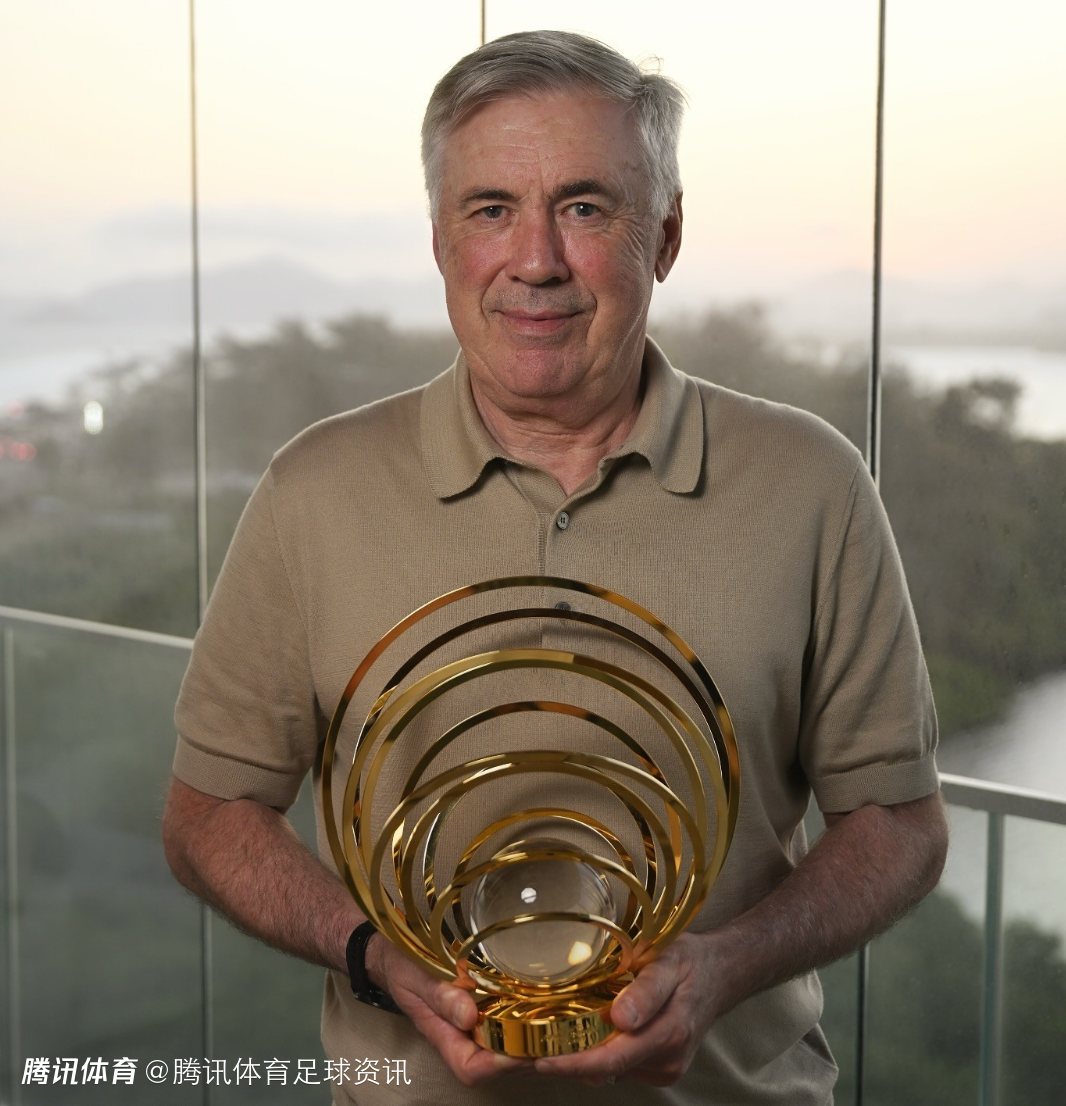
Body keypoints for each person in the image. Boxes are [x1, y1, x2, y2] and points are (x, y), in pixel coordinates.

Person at [162, 29, 948, 1106]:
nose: (535, 259)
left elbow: (898, 821)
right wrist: (372, 959)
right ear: (441, 241)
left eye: (584, 207)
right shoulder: (313, 489)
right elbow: (209, 813)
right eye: (490, 209)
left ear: (664, 236)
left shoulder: (813, 482)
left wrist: (727, 967)